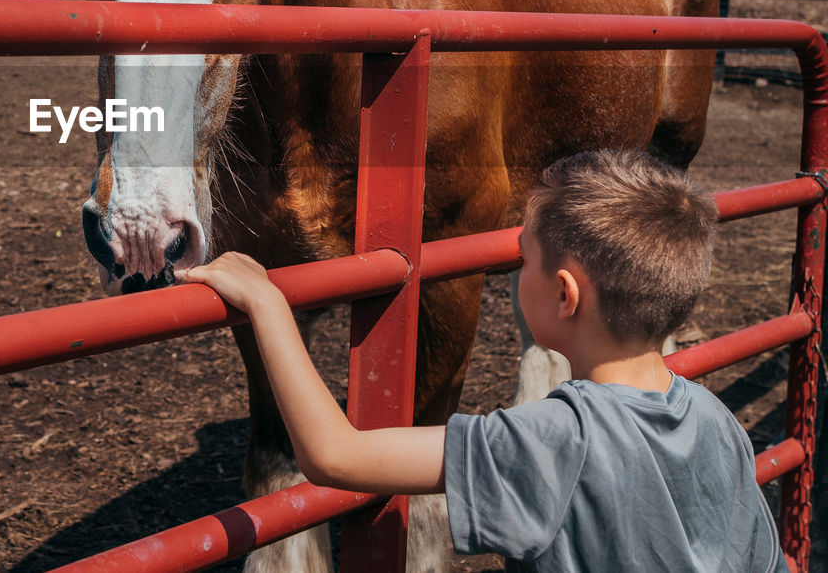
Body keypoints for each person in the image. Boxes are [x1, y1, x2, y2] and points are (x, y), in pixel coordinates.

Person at [175, 149, 788, 572]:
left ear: (564, 294)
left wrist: (267, 303)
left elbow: (334, 454)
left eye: (525, 256)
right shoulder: (718, 420)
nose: (515, 269)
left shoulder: (551, 441)